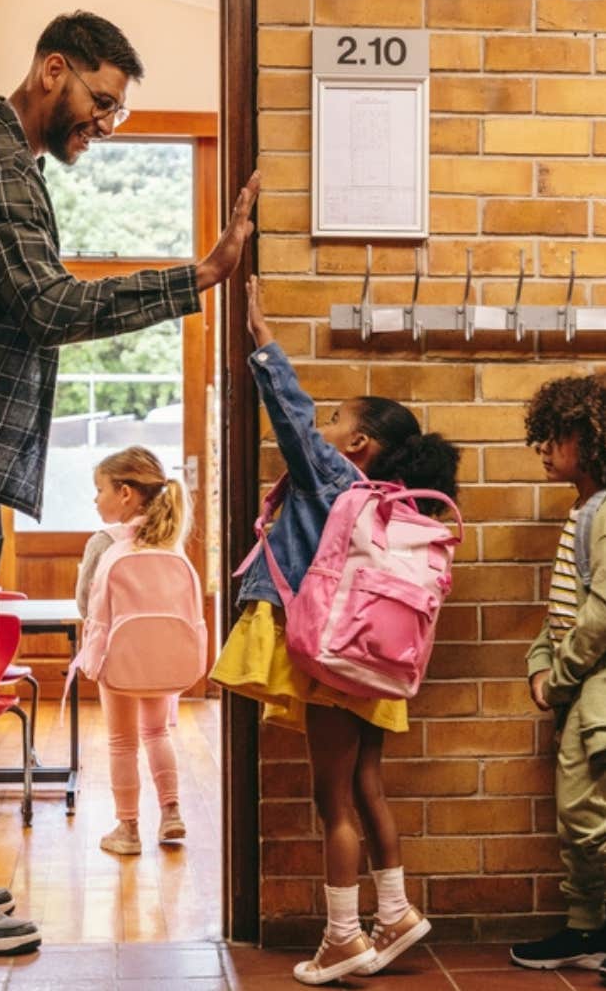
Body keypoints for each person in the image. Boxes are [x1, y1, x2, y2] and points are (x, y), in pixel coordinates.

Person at [0, 9, 259, 954]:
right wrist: (198, 276)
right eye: (100, 105)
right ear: (53, 70)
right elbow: (46, 304)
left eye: (115, 115)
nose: (103, 126)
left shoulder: (7, 161)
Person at [210, 276, 460, 985]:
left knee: (331, 799)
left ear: (359, 443)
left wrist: (260, 337)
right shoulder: (400, 508)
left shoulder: (339, 482)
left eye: (334, 426)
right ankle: (396, 911)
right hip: (380, 659)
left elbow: (290, 415)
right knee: (368, 784)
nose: (320, 434)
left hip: (337, 655)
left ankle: (344, 938)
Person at [509, 375, 606, 975]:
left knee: (588, 815)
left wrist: (562, 676)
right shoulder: (585, 511)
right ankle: (587, 930)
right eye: (540, 436)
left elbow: (599, 618)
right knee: (580, 817)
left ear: (594, 440)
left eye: (556, 436)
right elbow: (561, 612)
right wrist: (540, 665)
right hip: (578, 683)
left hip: (595, 687)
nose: (543, 447)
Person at [75, 446, 193, 855]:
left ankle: (127, 830)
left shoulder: (104, 542)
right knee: (157, 732)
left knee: (122, 742)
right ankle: (171, 812)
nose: (96, 499)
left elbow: (83, 603)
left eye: (100, 489)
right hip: (163, 656)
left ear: (125, 492)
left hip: (117, 658)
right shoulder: (169, 540)